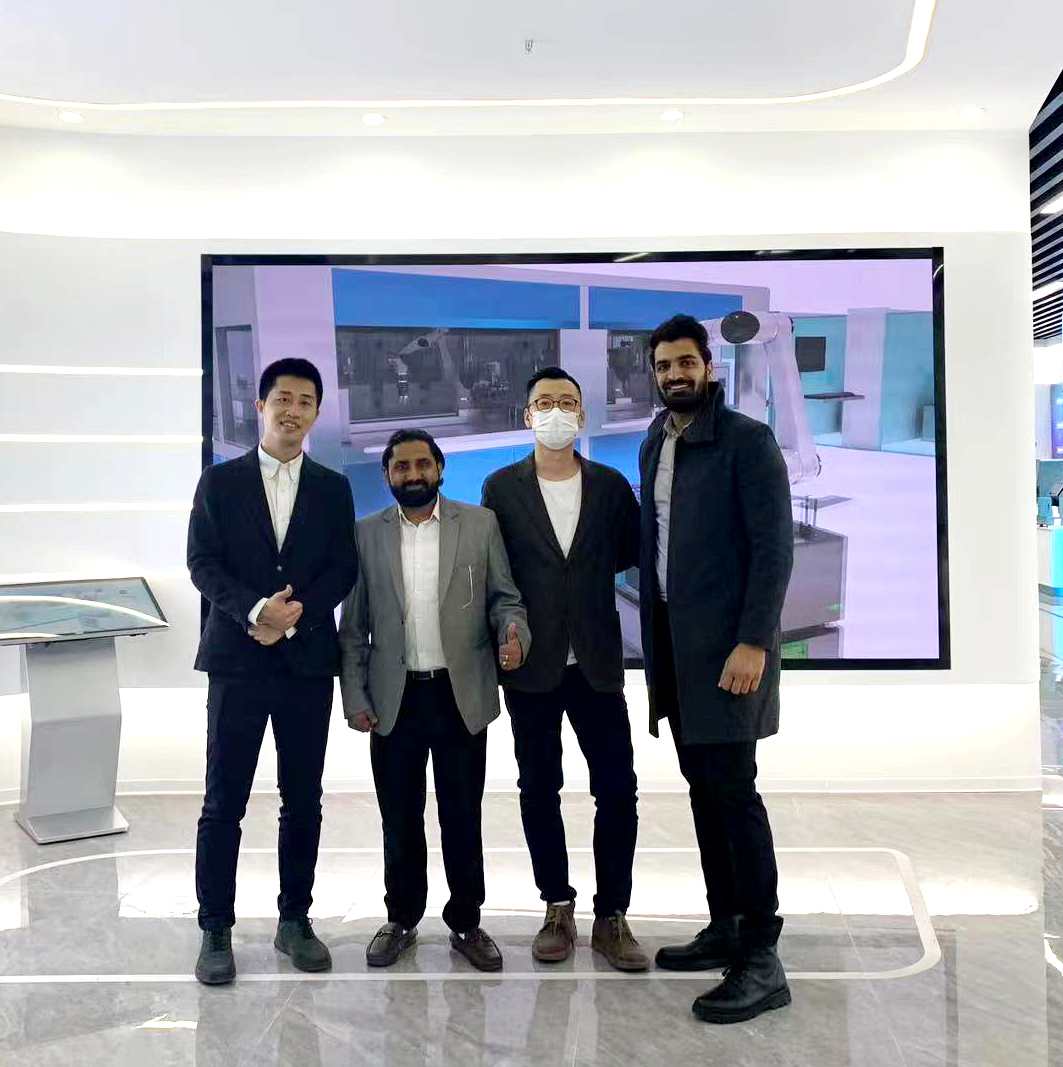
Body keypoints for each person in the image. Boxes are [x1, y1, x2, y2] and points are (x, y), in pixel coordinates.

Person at [637, 314, 795, 1024]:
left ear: (707, 365)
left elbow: (773, 549)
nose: (675, 375)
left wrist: (754, 640)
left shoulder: (746, 442)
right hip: (676, 649)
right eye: (663, 365)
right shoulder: (655, 441)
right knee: (703, 792)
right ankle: (725, 924)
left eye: (685, 362)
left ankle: (761, 957)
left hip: (730, 651)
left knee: (733, 794)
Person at [186, 357, 359, 986]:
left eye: (305, 401)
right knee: (222, 801)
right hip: (236, 662)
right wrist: (256, 611)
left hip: (305, 665)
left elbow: (343, 568)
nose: (293, 410)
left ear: (316, 413)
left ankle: (295, 921)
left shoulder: (332, 488)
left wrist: (292, 617)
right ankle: (215, 928)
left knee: (303, 800)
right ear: (260, 406)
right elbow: (202, 563)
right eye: (283, 398)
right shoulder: (219, 482)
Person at [339, 429, 531, 972]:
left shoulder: (479, 524)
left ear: (440, 469)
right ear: (387, 475)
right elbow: (353, 627)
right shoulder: (366, 535)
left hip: (458, 695)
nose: (413, 474)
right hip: (393, 699)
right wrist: (354, 694)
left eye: (422, 464)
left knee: (461, 817)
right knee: (399, 819)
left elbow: (506, 600)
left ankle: (466, 922)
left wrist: (514, 634)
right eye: (401, 467)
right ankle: (400, 919)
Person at [480, 367, 647, 971]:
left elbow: (628, 554)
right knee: (538, 789)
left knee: (618, 790)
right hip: (533, 666)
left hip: (597, 663)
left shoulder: (611, 486)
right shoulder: (501, 488)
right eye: (545, 402)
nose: (556, 411)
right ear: (528, 416)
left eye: (567, 402)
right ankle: (557, 905)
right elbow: (497, 574)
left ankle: (613, 915)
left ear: (582, 415)